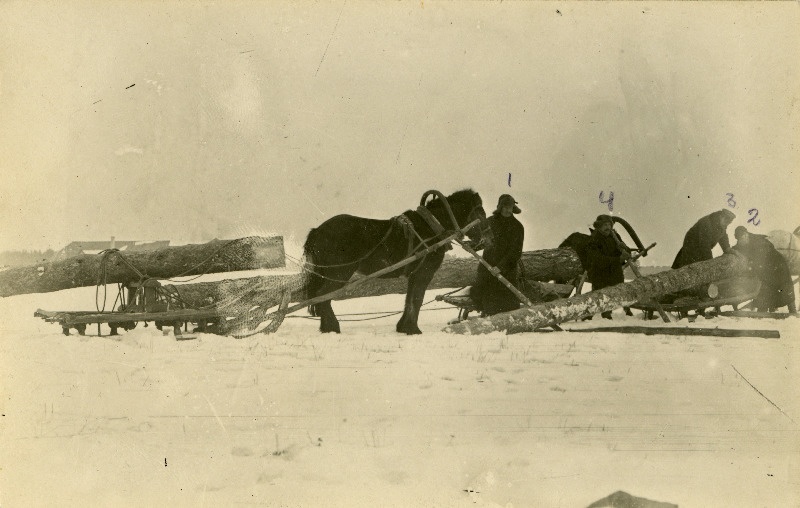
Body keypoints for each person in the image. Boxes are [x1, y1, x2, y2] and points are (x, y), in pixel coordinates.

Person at [471, 194, 524, 316]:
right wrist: (472, 246)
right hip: (487, 267)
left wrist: (500, 267)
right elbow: (482, 242)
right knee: (483, 296)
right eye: (504, 206)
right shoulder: (489, 222)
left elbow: (516, 252)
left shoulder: (517, 227)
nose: (507, 209)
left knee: (507, 305)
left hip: (507, 271)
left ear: (513, 208)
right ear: (499, 207)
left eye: (509, 206)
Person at [733, 226, 797, 313]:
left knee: (785, 288)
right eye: (739, 240)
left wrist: (752, 267)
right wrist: (730, 250)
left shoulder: (759, 241)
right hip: (767, 270)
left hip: (778, 266)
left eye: (742, 238)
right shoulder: (744, 242)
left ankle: (793, 311)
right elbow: (737, 247)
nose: (740, 241)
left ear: (745, 235)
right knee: (765, 290)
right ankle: (762, 311)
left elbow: (762, 258)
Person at [586, 215, 632, 319]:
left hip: (615, 272)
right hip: (600, 274)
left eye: (609, 224)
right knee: (601, 296)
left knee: (621, 291)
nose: (608, 227)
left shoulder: (614, 236)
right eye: (605, 225)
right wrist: (618, 260)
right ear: (598, 227)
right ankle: (592, 316)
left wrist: (625, 249)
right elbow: (597, 260)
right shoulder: (594, 239)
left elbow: (627, 252)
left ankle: (627, 312)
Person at [672, 209, 736, 269]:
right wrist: (710, 262)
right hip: (692, 246)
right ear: (721, 216)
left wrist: (727, 248)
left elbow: (723, 236)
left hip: (702, 247)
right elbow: (704, 245)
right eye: (726, 221)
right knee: (691, 267)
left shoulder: (722, 224)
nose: (726, 224)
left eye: (728, 223)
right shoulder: (706, 223)